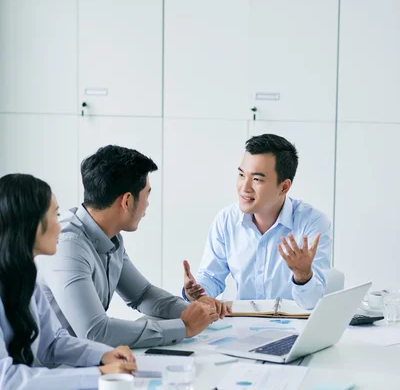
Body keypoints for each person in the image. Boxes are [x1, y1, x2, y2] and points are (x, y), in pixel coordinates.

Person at [37, 146, 228, 349]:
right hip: (52, 368)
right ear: (127, 201)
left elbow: (142, 294)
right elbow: (95, 332)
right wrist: (183, 327)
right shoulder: (68, 246)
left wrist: (197, 311)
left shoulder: (110, 236)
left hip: (85, 359)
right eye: (147, 194)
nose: (147, 204)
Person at [0, 173, 137, 390]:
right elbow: (6, 379)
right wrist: (99, 374)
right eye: (55, 215)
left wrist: (104, 355)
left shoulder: (24, 277)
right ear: (30, 223)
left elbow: (53, 343)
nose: (60, 227)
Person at [183, 134, 331, 310]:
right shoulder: (226, 220)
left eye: (257, 179)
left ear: (284, 187)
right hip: (241, 327)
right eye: (241, 175)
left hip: (293, 329)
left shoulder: (312, 223)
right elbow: (211, 277)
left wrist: (303, 275)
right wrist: (195, 292)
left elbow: (312, 303)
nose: (244, 188)